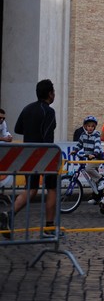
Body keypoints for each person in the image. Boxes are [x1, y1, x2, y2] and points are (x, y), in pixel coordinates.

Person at [0, 79, 57, 238]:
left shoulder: (27, 108)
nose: (54, 95)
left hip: (29, 156)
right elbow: (47, 137)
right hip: (45, 155)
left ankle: (9, 214)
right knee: (52, 189)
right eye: (53, 92)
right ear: (49, 94)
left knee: (31, 189)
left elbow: (18, 128)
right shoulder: (49, 111)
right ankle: (49, 228)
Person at [70, 115, 104, 201]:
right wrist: (75, 151)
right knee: (93, 179)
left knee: (88, 169)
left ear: (94, 127)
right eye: (88, 126)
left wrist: (94, 154)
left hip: (97, 157)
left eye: (92, 126)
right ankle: (97, 197)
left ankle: (102, 180)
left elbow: (98, 145)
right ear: (85, 127)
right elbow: (79, 144)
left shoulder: (96, 135)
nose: (90, 128)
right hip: (89, 158)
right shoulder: (83, 135)